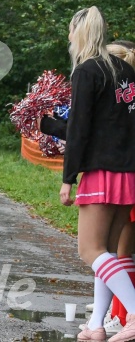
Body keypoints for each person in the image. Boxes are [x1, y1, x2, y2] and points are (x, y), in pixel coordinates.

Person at [40, 41, 135, 337]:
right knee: (111, 252)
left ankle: (131, 311)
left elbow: (84, 131)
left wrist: (67, 177)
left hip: (105, 172)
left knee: (92, 250)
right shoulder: (126, 86)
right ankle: (97, 325)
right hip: (126, 172)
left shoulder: (93, 73)